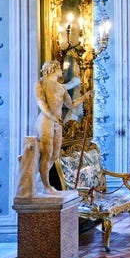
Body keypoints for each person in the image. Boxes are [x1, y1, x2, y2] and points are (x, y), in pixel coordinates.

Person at [35, 60, 88, 195]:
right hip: (46, 121)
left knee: (54, 155)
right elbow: (41, 103)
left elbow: (71, 104)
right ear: (53, 69)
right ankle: (45, 186)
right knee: (46, 154)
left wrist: (84, 97)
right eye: (59, 68)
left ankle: (40, 182)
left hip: (57, 123)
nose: (61, 70)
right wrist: (52, 117)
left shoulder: (61, 87)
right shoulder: (41, 83)